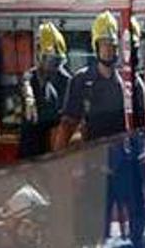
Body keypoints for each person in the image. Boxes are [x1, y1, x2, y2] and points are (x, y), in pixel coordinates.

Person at [53, 11, 128, 148]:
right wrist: (56, 163)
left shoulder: (127, 83)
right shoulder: (81, 81)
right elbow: (67, 125)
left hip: (123, 158)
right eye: (104, 43)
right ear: (96, 46)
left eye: (111, 43)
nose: (108, 48)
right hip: (94, 160)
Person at [19, 22, 72, 159]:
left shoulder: (65, 80)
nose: (55, 67)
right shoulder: (29, 80)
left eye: (58, 62)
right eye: (51, 61)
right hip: (31, 155)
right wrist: (29, 99)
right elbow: (26, 90)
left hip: (55, 156)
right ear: (39, 55)